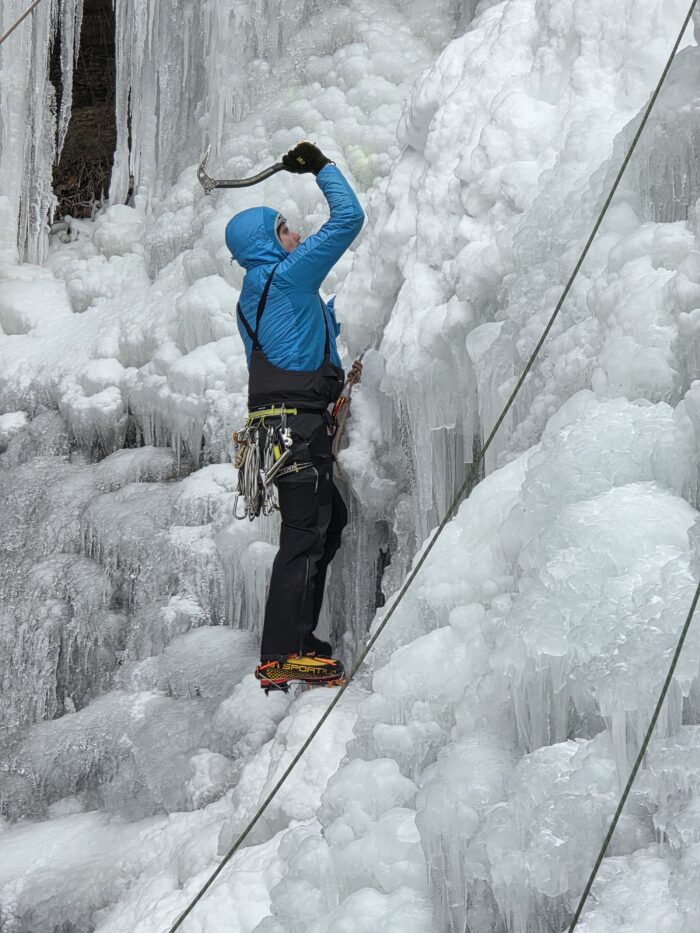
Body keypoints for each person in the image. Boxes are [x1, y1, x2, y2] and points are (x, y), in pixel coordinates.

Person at [225, 142, 365, 691]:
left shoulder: (252, 298)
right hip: (298, 431)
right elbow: (349, 218)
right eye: (286, 230)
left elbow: (299, 340)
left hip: (276, 432)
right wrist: (323, 168)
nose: (297, 237)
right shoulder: (285, 278)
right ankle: (282, 658)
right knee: (306, 536)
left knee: (327, 528)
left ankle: (301, 644)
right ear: (267, 241)